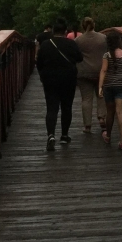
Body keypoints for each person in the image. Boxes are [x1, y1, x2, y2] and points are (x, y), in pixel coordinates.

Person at [35, 18, 83, 151]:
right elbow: (80, 58)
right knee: (66, 107)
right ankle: (64, 135)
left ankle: (50, 135)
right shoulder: (71, 44)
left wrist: (42, 75)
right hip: (68, 79)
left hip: (50, 80)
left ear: (53, 31)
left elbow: (38, 63)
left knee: (52, 108)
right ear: (65, 31)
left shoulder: (45, 44)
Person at [73, 17, 107, 134]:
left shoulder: (78, 40)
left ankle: (87, 125)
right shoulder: (103, 38)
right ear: (94, 25)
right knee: (101, 95)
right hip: (100, 71)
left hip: (84, 72)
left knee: (86, 99)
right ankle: (102, 117)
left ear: (82, 26)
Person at [99, 33, 122, 150]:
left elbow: (103, 71)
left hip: (109, 85)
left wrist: (100, 87)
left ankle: (108, 135)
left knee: (110, 112)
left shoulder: (106, 55)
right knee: (120, 112)